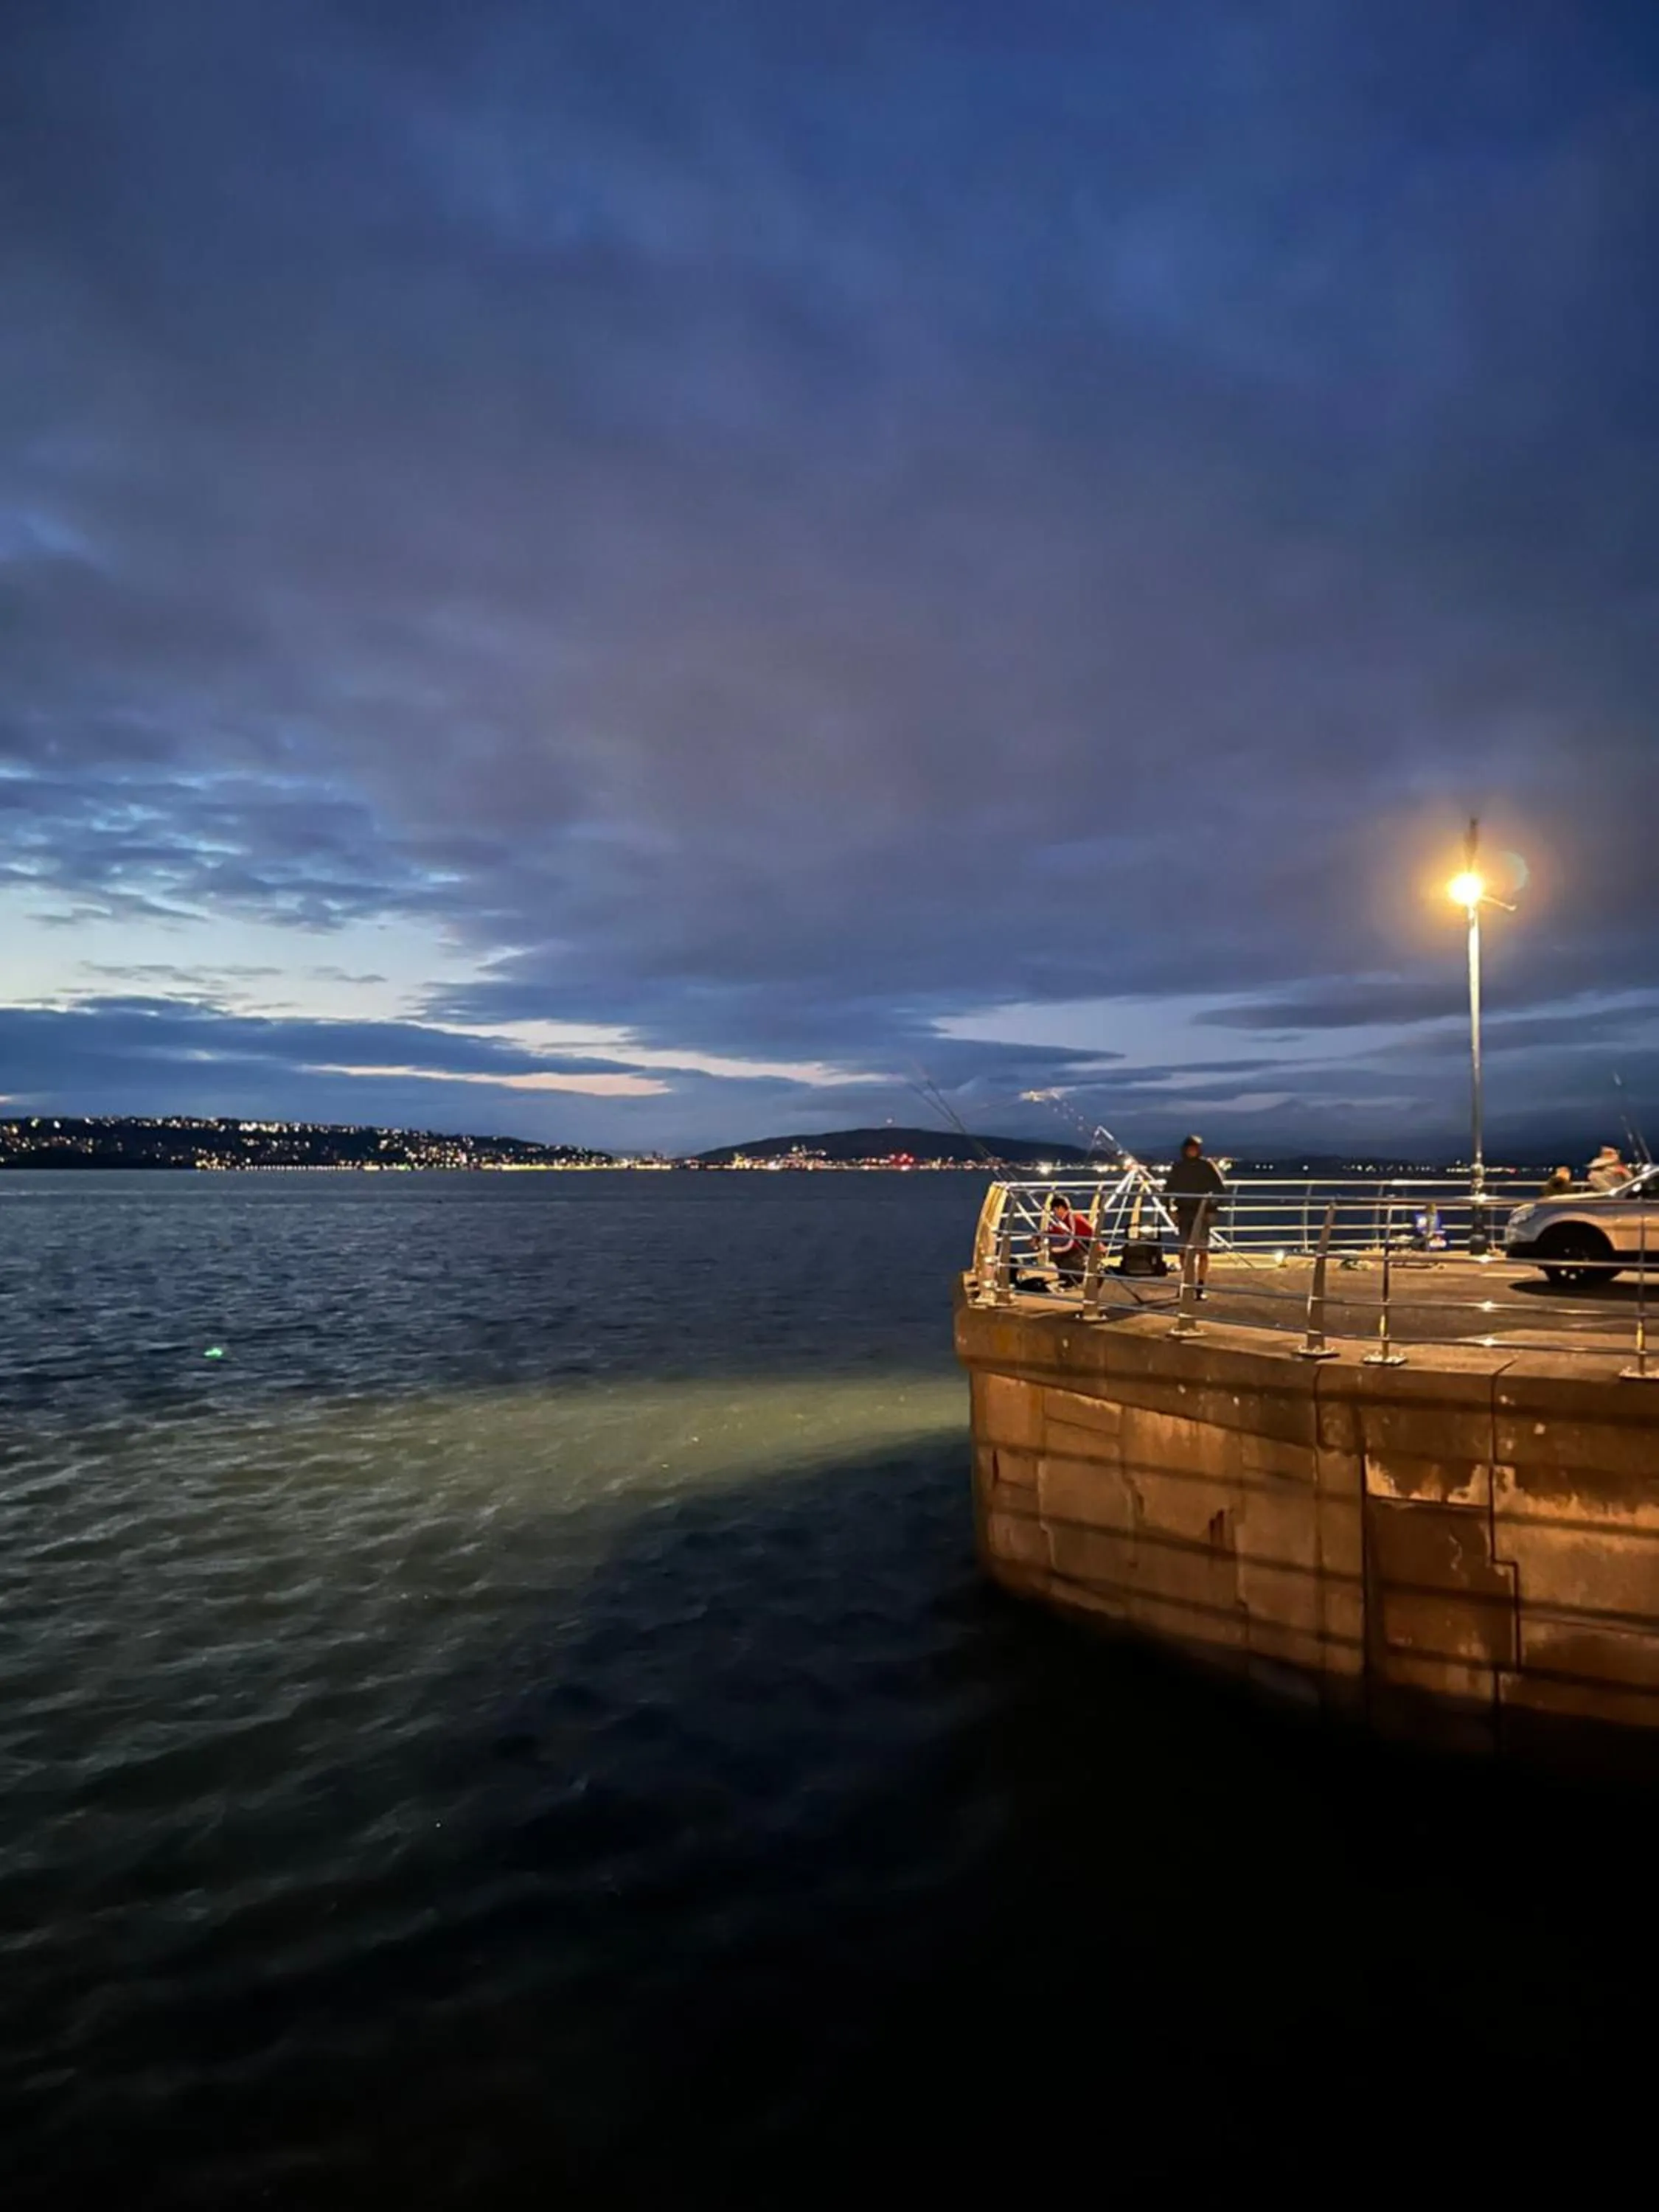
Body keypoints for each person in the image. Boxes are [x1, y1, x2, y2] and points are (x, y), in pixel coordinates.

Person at [1163, 1135, 1225, 1297]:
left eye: (1195, 1149)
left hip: (1202, 1213)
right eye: (1190, 1149)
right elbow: (1168, 1190)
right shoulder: (1178, 1168)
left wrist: (1212, 1209)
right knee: (1183, 1251)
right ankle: (1186, 1282)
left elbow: (1219, 1189)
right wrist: (1169, 1208)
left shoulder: (1206, 1167)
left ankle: (1200, 1286)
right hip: (1184, 1212)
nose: (1192, 1152)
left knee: (1202, 1251)